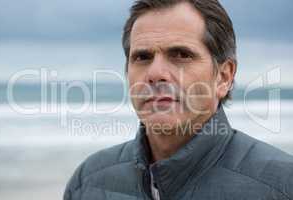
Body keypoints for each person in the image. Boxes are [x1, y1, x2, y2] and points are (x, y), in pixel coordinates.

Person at [64, 0, 293, 199]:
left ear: (224, 77)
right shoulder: (88, 183)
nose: (155, 73)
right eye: (142, 57)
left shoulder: (282, 185)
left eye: (181, 55)